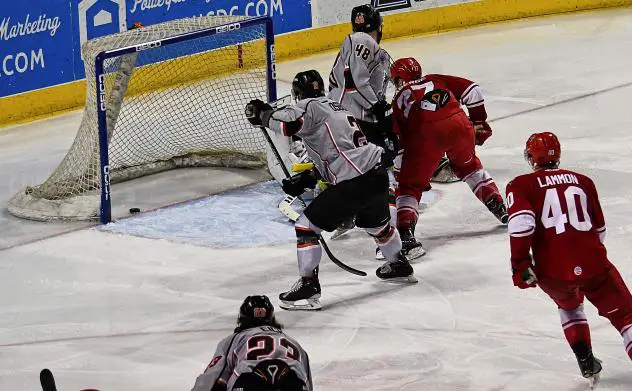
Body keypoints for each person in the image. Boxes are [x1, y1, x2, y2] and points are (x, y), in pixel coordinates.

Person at [245, 70, 417, 311]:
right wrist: (308, 178)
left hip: (354, 181)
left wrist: (264, 115)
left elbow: (287, 124)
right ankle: (398, 264)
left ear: (297, 94)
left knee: (306, 227)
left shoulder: (309, 106)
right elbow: (338, 152)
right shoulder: (336, 107)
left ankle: (309, 286)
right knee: (378, 226)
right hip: (376, 175)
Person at [506, 132, 632, 386]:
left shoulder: (520, 184)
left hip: (552, 273)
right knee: (627, 318)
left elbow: (521, 225)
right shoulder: (583, 181)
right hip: (594, 265)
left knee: (570, 306)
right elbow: (600, 231)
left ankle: (585, 359)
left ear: (532, 157)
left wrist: (520, 264)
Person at [389, 57, 507, 255]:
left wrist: (404, 172)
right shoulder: (435, 79)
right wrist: (479, 121)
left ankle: (406, 235)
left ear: (399, 79)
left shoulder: (397, 99)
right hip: (459, 124)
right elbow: (473, 91)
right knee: (470, 168)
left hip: (425, 136)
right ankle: (500, 207)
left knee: (410, 187)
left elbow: (398, 139)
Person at [327, 4, 396, 240]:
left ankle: (344, 212)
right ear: (378, 26)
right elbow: (357, 80)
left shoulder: (366, 47)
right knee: (379, 171)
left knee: (353, 168)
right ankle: (389, 235)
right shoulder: (364, 41)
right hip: (356, 117)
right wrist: (378, 106)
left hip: (345, 115)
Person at [191, 295, 312, 391]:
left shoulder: (234, 339)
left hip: (250, 382)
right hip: (292, 384)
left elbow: (211, 378)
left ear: (242, 319)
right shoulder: (295, 344)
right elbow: (307, 383)